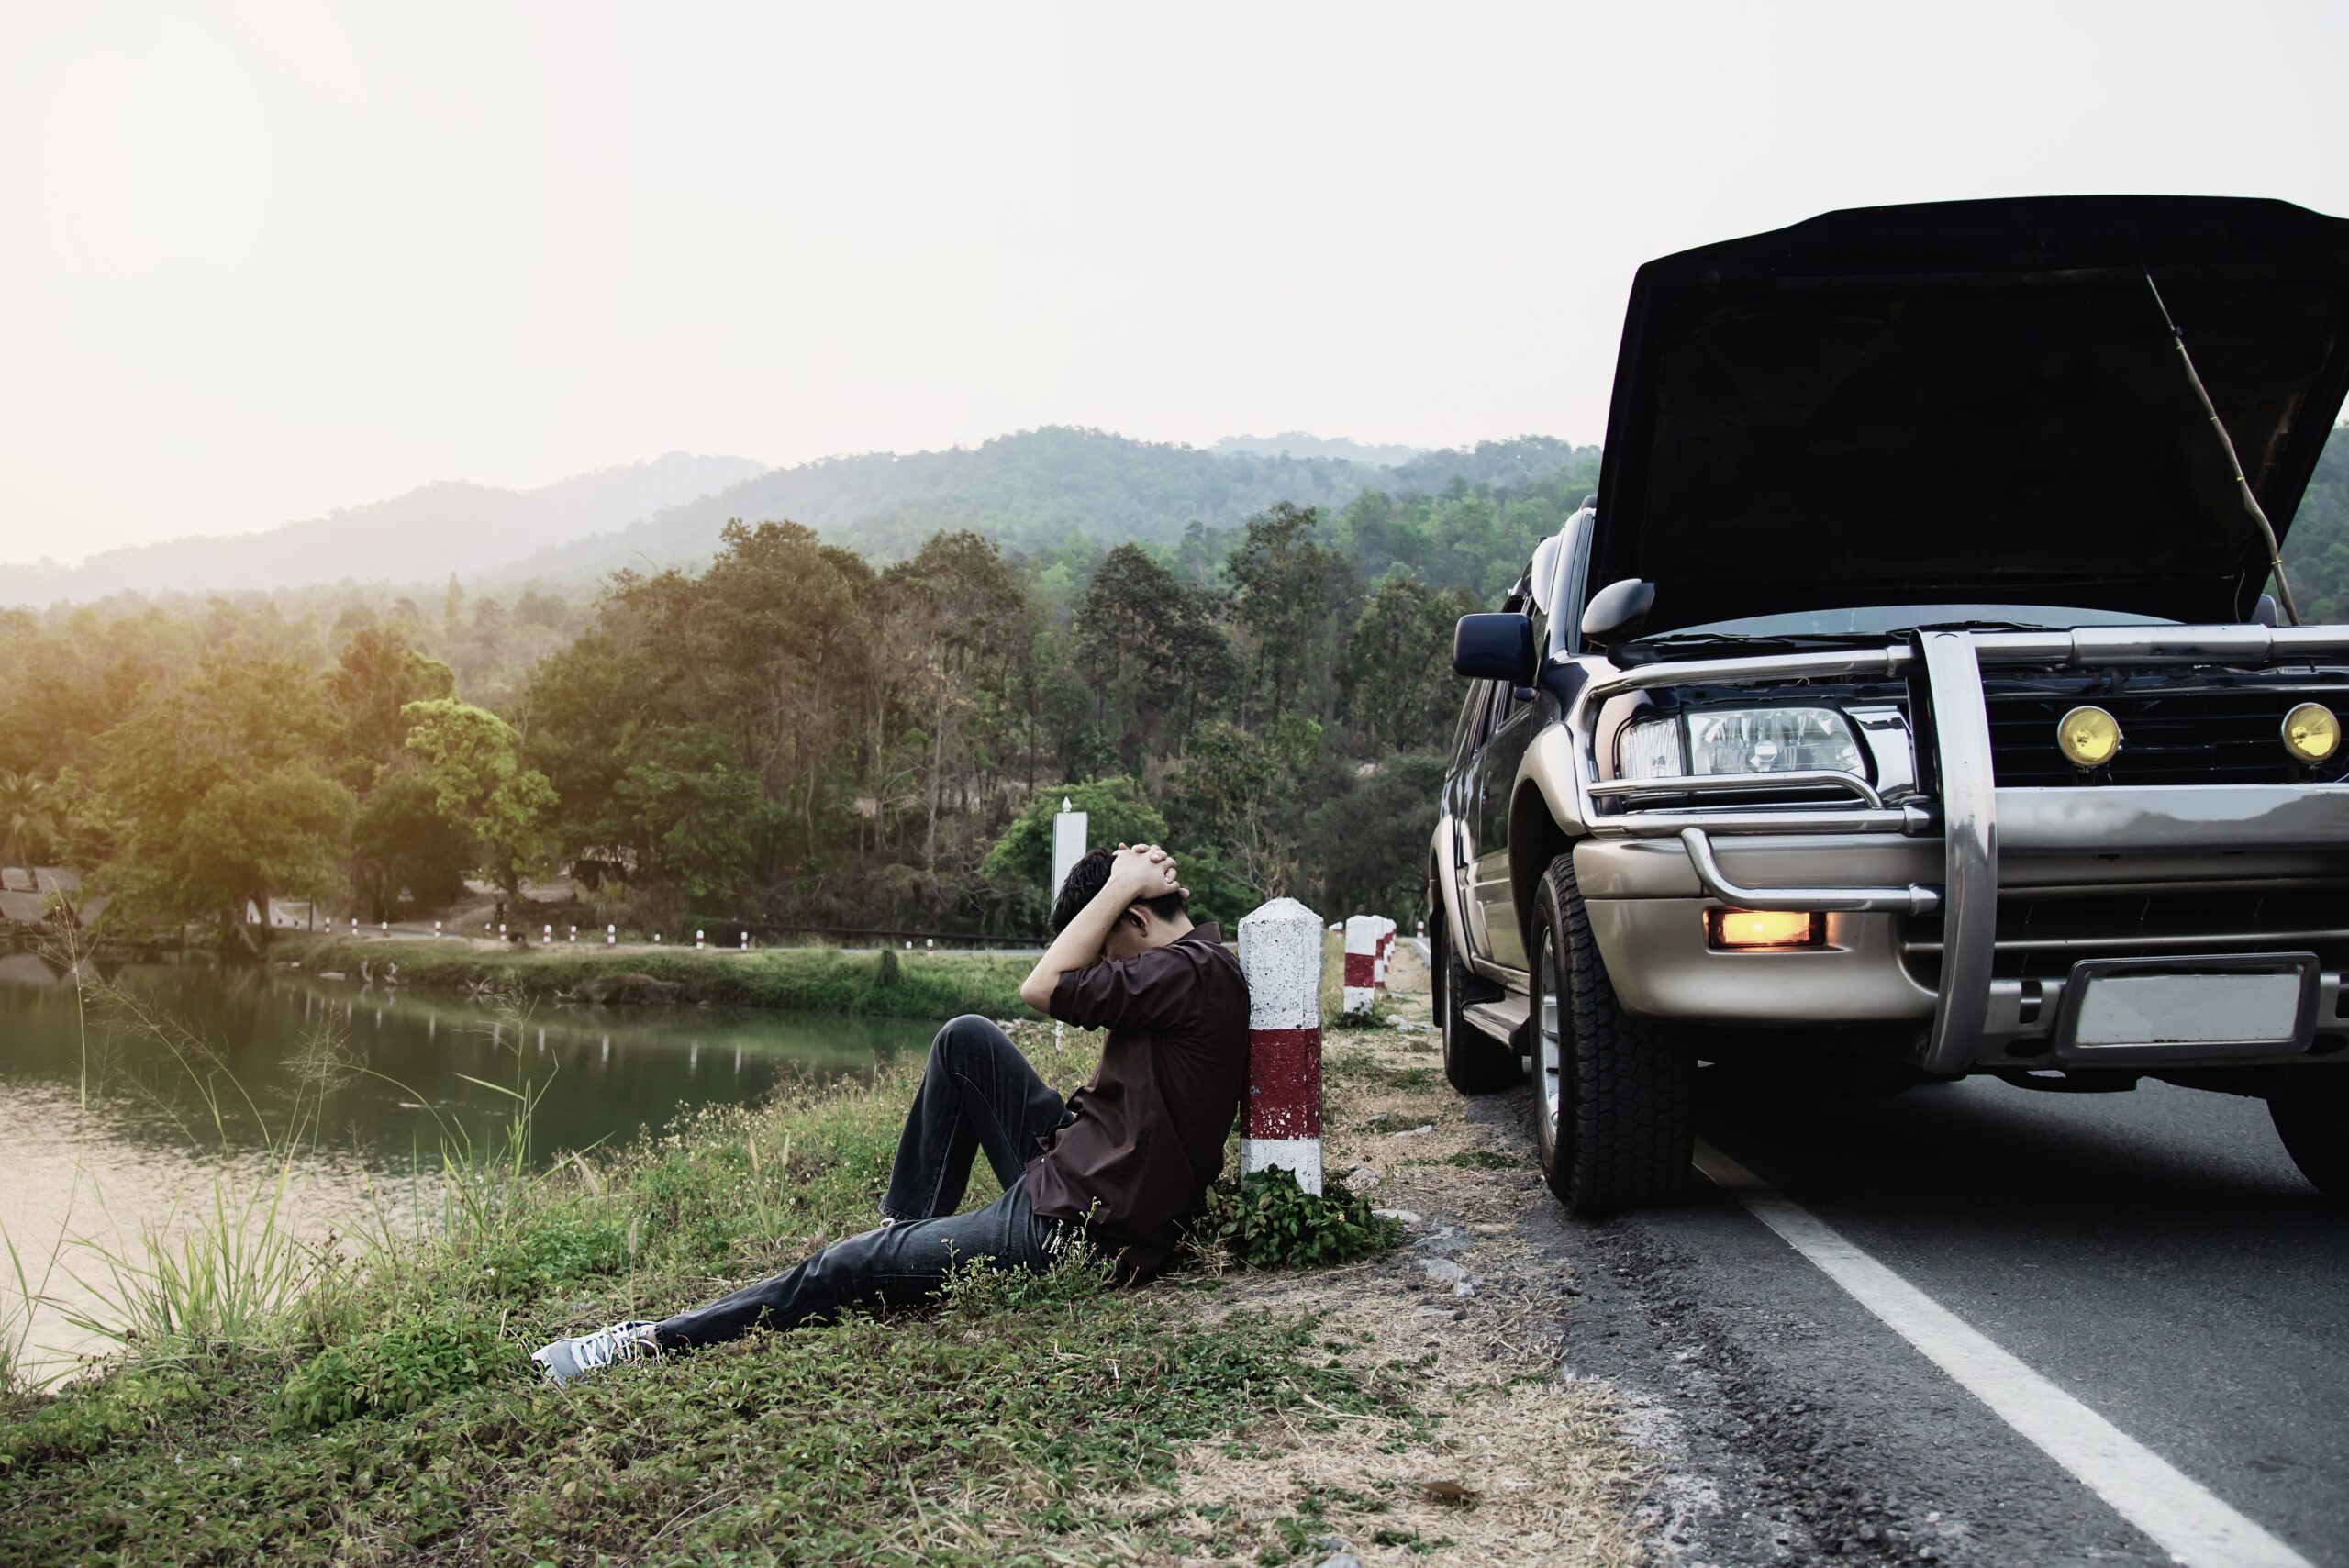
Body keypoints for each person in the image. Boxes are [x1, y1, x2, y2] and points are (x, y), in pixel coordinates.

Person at [531, 841, 1251, 1384]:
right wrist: (1121, 890)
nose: (1102, 968)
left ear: (1129, 917)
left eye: (1105, 944)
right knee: (965, 1038)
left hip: (1076, 1226)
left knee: (842, 1266)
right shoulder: (1195, 967)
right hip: (1080, 1167)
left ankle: (640, 1341)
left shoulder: (1184, 972)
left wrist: (1121, 882)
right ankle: (906, 1235)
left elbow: (1045, 984)